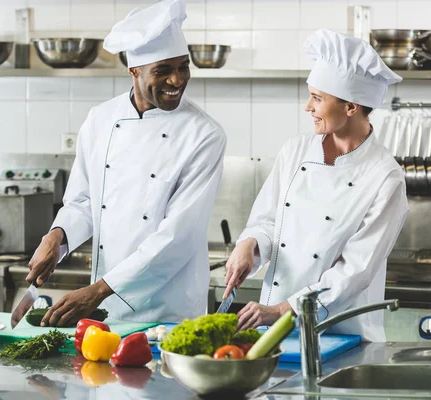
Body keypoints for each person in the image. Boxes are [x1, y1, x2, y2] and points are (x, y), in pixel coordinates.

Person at [23, 0, 226, 327]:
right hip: (106, 309)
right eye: (163, 70)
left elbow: (179, 236)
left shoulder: (204, 134)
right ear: (134, 71)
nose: (177, 80)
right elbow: (84, 202)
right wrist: (57, 238)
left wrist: (99, 290)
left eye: (183, 67)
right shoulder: (101, 119)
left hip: (168, 311)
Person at [224, 29, 408, 342]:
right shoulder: (295, 150)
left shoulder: (385, 178)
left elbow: (354, 272)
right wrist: (250, 244)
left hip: (340, 336)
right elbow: (268, 221)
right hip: (273, 333)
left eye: (317, 98)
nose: (307, 106)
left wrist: (283, 310)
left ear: (351, 106)